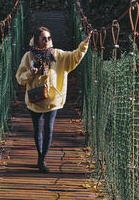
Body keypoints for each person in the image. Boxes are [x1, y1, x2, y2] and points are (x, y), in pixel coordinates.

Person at [16, 26, 92, 173]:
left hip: (52, 99)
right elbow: (20, 78)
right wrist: (31, 73)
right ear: (37, 39)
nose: (47, 41)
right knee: (37, 130)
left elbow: (74, 56)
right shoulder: (28, 56)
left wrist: (84, 44)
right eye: (43, 38)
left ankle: (43, 159)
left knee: (48, 129)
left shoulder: (57, 54)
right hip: (34, 99)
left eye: (49, 38)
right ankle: (40, 156)